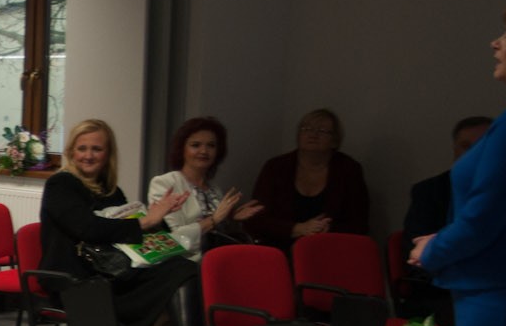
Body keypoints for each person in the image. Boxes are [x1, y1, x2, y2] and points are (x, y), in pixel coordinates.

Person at [41, 118, 209, 326]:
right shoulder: (60, 185)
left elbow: (128, 236)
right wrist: (146, 222)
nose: (89, 155)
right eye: (82, 148)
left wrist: (159, 221)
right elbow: (88, 229)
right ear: (71, 152)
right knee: (173, 297)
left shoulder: (111, 191)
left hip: (116, 275)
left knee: (184, 270)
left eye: (97, 149)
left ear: (108, 154)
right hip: (78, 282)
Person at [409, 4, 506, 326]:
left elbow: (482, 220)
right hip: (496, 287)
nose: (495, 43)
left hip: (496, 294)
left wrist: (432, 250)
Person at [401, 115, 490, 326]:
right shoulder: (430, 191)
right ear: (454, 150)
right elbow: (414, 251)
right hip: (440, 289)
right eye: (466, 146)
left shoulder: (505, 191)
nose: (473, 153)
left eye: (481, 146)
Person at [249, 108, 369, 251]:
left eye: (322, 131)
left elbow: (359, 224)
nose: (313, 134)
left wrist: (328, 229)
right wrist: (297, 228)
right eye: (306, 129)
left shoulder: (348, 169)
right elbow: (257, 219)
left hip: (330, 249)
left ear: (334, 140)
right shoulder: (276, 167)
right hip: (280, 248)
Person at [146, 116, 262, 259]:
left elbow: (217, 234)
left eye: (211, 145)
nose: (204, 151)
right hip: (183, 264)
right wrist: (213, 220)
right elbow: (173, 238)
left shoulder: (215, 189)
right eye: (195, 145)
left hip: (216, 260)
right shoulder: (165, 183)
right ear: (182, 149)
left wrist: (232, 218)